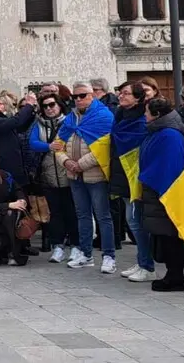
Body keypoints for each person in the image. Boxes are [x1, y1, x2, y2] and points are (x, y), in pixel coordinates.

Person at [51, 83, 116, 272]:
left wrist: (80, 164)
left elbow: (104, 148)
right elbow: (58, 145)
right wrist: (66, 162)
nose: (78, 99)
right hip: (74, 176)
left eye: (82, 95)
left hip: (95, 176)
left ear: (92, 95)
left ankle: (109, 256)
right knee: (82, 215)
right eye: (75, 96)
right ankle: (86, 254)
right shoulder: (70, 119)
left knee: (103, 216)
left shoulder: (104, 116)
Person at [138, 98, 184, 292]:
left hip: (166, 192)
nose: (144, 115)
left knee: (171, 236)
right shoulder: (158, 131)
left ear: (157, 115)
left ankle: (175, 277)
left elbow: (170, 166)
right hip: (156, 190)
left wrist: (148, 177)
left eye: (147, 112)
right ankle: (171, 275)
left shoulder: (170, 135)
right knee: (163, 236)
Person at [110, 82, 152, 282]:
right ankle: (142, 261)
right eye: (120, 93)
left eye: (126, 93)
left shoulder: (142, 119)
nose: (121, 96)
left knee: (136, 221)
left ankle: (148, 265)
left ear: (138, 98)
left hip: (136, 176)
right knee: (133, 220)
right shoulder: (120, 115)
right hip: (122, 174)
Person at [28, 93, 76, 264]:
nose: (49, 108)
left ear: (59, 105)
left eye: (52, 104)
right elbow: (32, 143)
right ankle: (58, 246)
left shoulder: (69, 121)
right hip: (48, 175)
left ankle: (76, 246)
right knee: (54, 213)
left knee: (72, 212)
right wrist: (49, 146)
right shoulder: (39, 124)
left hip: (68, 173)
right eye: (45, 106)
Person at [0, 91, 37, 189]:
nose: (0, 102)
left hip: (14, 167)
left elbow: (19, 126)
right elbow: (15, 121)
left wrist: (31, 112)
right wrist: (29, 105)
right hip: (5, 170)